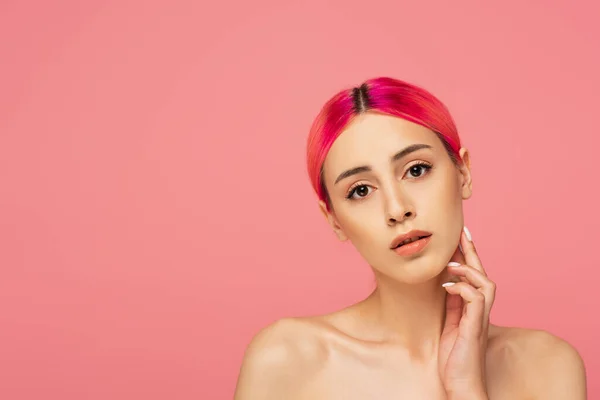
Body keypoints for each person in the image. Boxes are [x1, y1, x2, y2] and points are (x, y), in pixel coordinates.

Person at [233, 77, 587, 399]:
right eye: (360, 190)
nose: (397, 209)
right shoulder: (288, 362)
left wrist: (466, 389)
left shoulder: (548, 367)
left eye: (416, 170)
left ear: (462, 173)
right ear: (335, 220)